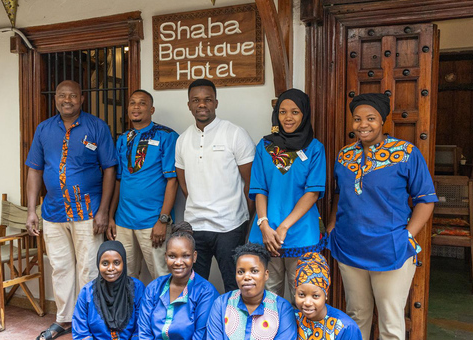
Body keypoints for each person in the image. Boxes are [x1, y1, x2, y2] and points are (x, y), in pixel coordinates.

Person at [326, 93, 436, 340]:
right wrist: (332, 225)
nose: (363, 125)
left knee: (390, 320)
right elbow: (340, 196)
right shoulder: (344, 156)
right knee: (357, 316)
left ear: (383, 120)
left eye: (370, 118)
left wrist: (407, 235)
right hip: (350, 249)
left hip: (391, 252)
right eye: (358, 119)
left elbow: (426, 200)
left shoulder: (406, 154)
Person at [26, 80, 118, 340]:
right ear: (55, 98)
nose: (67, 100)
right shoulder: (44, 129)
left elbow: (110, 168)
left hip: (88, 211)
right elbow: (35, 169)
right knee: (60, 267)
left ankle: (88, 321)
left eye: (73, 96)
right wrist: (32, 210)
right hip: (53, 212)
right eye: (62, 95)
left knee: (89, 268)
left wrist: (104, 210)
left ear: (82, 99)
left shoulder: (97, 127)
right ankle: (64, 319)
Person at [175, 79, 256, 291]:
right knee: (194, 288)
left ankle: (234, 324)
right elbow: (184, 184)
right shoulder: (182, 140)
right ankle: (202, 325)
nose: (202, 104)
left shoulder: (235, 134)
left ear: (216, 103)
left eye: (207, 100)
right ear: (189, 104)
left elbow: (251, 182)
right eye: (196, 100)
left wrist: (243, 217)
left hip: (229, 226)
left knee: (235, 285)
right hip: (195, 226)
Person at [249, 88, 326, 298]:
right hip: (266, 234)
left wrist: (284, 226)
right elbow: (259, 189)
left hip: (301, 233)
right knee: (267, 297)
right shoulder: (264, 146)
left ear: (304, 115)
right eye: (282, 112)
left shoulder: (314, 148)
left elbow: (312, 192)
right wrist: (264, 224)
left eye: (295, 112)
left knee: (302, 297)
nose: (288, 117)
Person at [108, 89, 179, 278]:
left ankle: (164, 309)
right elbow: (119, 180)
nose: (136, 107)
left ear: (152, 109)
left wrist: (163, 220)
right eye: (132, 103)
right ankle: (129, 309)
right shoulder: (123, 139)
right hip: (124, 221)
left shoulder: (166, 136)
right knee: (124, 275)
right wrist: (111, 217)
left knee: (162, 275)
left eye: (142, 103)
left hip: (152, 221)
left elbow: (172, 180)